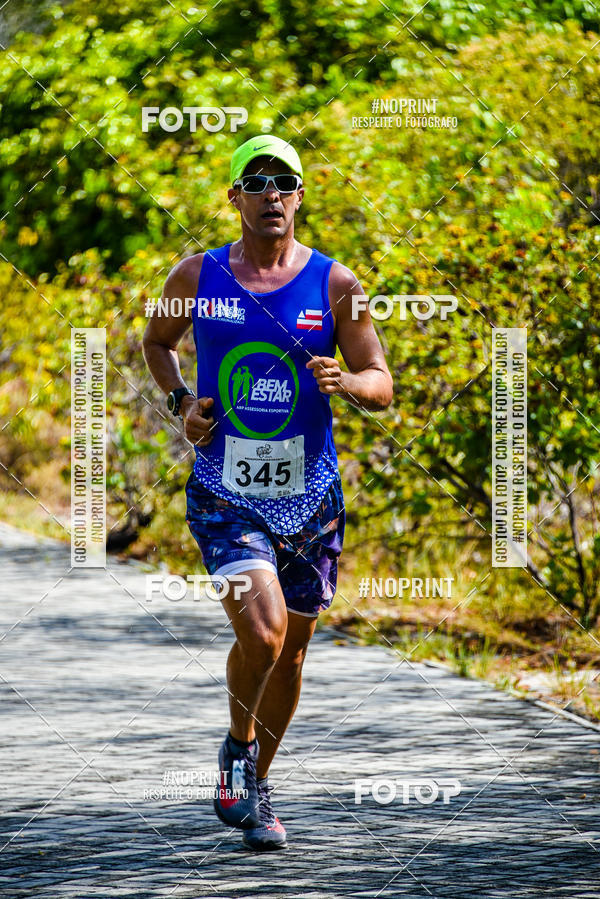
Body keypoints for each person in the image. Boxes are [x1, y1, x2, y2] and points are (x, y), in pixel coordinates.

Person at [142, 134, 393, 851]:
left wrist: (349, 381)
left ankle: (253, 783)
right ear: (235, 198)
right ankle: (238, 744)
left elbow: (381, 381)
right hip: (225, 489)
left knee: (292, 654)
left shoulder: (337, 284)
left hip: (312, 496)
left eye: (284, 181)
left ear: (301, 195)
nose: (271, 193)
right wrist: (181, 403)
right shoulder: (197, 275)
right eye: (255, 182)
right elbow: (157, 342)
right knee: (263, 632)